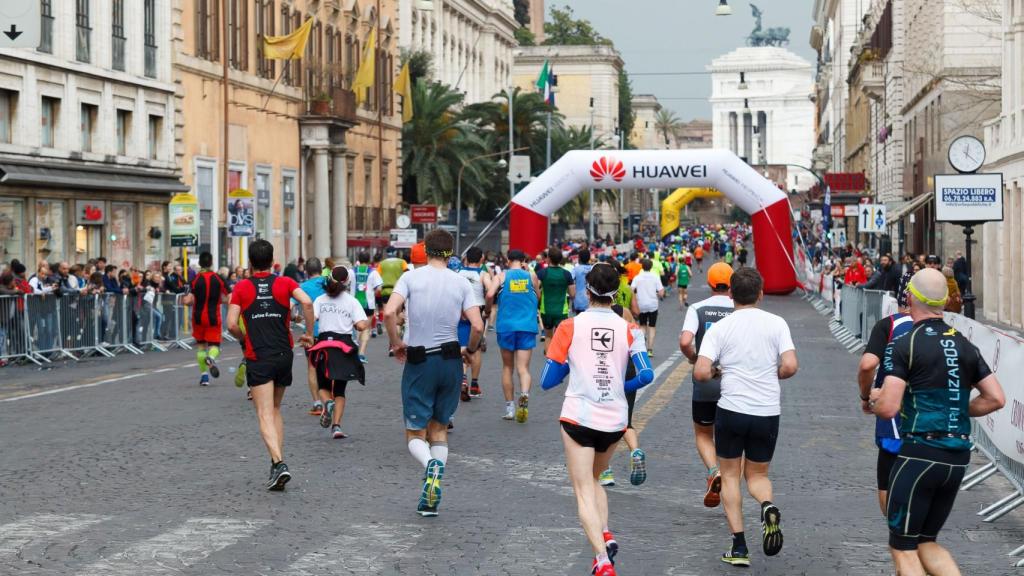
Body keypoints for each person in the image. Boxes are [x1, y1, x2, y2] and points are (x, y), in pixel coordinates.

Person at [870, 268, 1005, 576]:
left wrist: (873, 400)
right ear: (944, 300)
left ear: (910, 298)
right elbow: (996, 398)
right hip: (957, 458)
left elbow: (889, 407)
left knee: (903, 546)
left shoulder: (904, 343)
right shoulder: (965, 344)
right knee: (926, 542)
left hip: (920, 452)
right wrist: (956, 408)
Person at [541, 262, 655, 576]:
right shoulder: (631, 329)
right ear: (615, 291)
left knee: (582, 490)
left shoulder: (569, 326)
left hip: (578, 417)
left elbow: (547, 381)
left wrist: (569, 365)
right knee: (595, 478)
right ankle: (605, 533)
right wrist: (621, 386)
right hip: (615, 421)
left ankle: (602, 559)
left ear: (587, 290)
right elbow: (646, 374)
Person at [694, 267, 798, 567]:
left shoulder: (720, 329)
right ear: (761, 293)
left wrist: (717, 370)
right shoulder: (777, 323)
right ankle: (767, 506)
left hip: (732, 408)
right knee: (758, 476)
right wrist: (774, 373)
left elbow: (701, 372)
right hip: (767, 410)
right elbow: (791, 365)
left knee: (729, 476)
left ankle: (739, 547)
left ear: (730, 294)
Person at [383, 229, 484, 517]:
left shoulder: (411, 277)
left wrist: (395, 343)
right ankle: (431, 496)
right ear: (451, 253)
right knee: (439, 428)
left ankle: (430, 466)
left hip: (420, 360)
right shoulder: (461, 281)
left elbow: (389, 313)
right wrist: (470, 350)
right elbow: (477, 325)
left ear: (426, 250)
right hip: (451, 360)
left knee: (415, 432)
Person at [227, 239, 315, 491]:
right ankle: (275, 462)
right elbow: (307, 303)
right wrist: (309, 333)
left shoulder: (242, 287)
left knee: (264, 413)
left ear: (251, 262)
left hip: (259, 355)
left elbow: (231, 324)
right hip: (283, 353)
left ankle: (279, 462)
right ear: (271, 259)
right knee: (276, 409)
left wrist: (244, 340)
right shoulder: (285, 282)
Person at [857, 274, 913, 525]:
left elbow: (868, 364)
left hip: (893, 416)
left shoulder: (889, 325)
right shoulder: (949, 331)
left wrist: (866, 395)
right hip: (935, 425)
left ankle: (900, 533)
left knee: (888, 481)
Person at [679, 262, 735, 509]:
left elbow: (685, 341)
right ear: (732, 284)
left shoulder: (698, 309)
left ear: (711, 284)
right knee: (732, 437)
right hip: (734, 383)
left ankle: (714, 470)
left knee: (703, 434)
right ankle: (729, 484)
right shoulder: (740, 308)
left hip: (705, 382)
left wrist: (694, 358)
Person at [308, 266, 368, 439]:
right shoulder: (351, 301)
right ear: (347, 282)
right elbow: (361, 325)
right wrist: (361, 324)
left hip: (324, 346)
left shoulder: (320, 299)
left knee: (324, 386)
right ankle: (336, 427)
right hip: (344, 347)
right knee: (340, 390)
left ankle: (327, 403)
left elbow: (312, 318)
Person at [487, 249, 541, 422]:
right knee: (523, 368)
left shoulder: (501, 277)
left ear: (508, 260)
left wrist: (488, 309)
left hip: (506, 326)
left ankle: (510, 408)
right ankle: (524, 396)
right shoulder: (531, 276)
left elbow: (489, 294)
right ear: (523, 260)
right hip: (527, 325)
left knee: (507, 368)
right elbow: (538, 296)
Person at [182, 252, 228, 386]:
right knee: (215, 346)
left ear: (200, 263)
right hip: (213, 317)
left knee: (201, 346)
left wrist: (192, 300)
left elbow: (187, 300)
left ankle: (204, 377)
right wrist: (221, 300)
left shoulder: (193, 280)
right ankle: (211, 357)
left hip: (197, 317)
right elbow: (229, 297)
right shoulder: (219, 278)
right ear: (211, 262)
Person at [456, 247, 491, 400]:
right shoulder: (483, 274)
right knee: (475, 348)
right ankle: (475, 384)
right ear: (481, 259)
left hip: (460, 312)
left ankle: (462, 377)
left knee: (462, 345)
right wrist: (488, 310)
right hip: (477, 310)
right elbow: (490, 291)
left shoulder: (457, 273)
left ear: (466, 259)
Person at [296, 258, 327, 416]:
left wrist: (295, 318)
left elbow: (288, 307)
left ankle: (317, 403)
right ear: (321, 269)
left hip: (312, 333)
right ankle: (331, 399)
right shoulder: (329, 283)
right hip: (331, 331)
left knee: (312, 367)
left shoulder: (302, 287)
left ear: (306, 271)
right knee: (331, 365)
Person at [536, 247, 575, 352]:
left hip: (546, 310)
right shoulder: (566, 274)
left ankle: (549, 360)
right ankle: (557, 360)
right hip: (561, 311)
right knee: (561, 337)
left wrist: (539, 298)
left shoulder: (542, 273)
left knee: (548, 336)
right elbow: (572, 294)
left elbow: (535, 289)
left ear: (548, 258)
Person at [352, 252, 384, 364]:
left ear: (358, 259)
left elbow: (345, 284)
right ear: (369, 259)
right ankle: (361, 353)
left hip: (353, 304)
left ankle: (354, 346)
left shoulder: (352, 271)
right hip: (368, 304)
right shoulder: (373, 272)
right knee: (366, 328)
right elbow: (379, 288)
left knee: (355, 327)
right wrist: (372, 293)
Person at [630, 259, 664, 357]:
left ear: (642, 266)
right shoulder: (655, 277)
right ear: (651, 267)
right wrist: (657, 294)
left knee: (642, 326)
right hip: (653, 304)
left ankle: (642, 347)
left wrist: (637, 294)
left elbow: (631, 289)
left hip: (641, 304)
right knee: (652, 327)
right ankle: (650, 350)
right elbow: (661, 292)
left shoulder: (637, 278)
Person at [571, 249, 594, 315]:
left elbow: (569, 281)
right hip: (592, 302)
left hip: (579, 301)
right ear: (589, 258)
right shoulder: (594, 269)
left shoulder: (576, 269)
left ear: (579, 258)